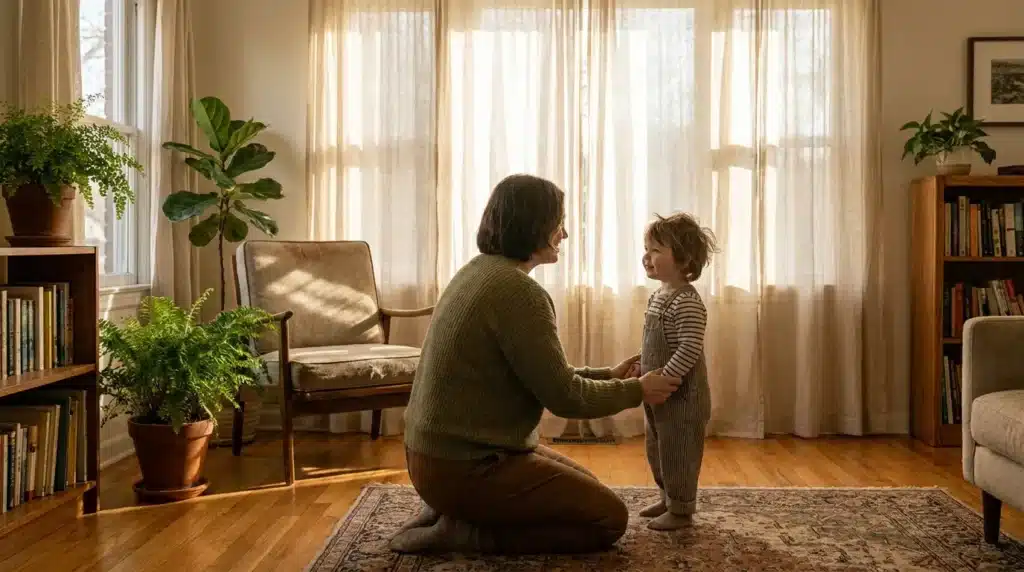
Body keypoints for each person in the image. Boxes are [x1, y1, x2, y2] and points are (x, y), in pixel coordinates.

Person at [389, 174, 684, 555]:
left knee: (586, 487)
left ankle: (455, 513)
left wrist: (608, 376)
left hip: (435, 458)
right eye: (558, 222)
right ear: (534, 225)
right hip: (463, 467)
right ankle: (466, 533)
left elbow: (544, 376)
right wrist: (637, 391)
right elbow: (565, 399)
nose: (563, 233)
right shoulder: (519, 293)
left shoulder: (479, 271)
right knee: (608, 519)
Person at [625, 212, 716, 530]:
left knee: (680, 453)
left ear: (683, 259)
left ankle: (681, 510)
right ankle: (667, 498)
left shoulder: (687, 302)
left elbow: (689, 348)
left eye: (654, 251)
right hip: (658, 395)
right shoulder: (658, 295)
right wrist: (641, 365)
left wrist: (665, 378)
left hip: (682, 399)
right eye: (646, 249)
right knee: (658, 449)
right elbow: (655, 343)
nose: (645, 257)